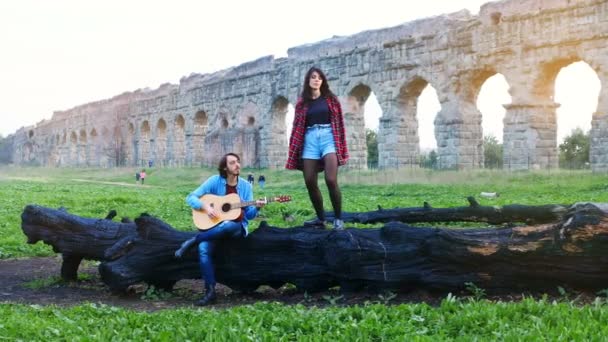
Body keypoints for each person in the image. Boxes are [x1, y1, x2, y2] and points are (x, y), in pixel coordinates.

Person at [174, 153, 265, 306]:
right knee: (203, 250)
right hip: (214, 227)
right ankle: (210, 292)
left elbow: (248, 216)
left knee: (230, 224)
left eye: (238, 162)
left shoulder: (245, 186)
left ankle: (193, 240)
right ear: (225, 167)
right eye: (232, 163)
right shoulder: (214, 181)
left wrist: (256, 208)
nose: (237, 165)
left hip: (235, 229)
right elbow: (191, 197)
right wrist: (205, 207)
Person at [285, 66, 348, 230]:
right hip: (310, 139)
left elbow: (339, 123)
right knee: (310, 181)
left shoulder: (331, 99)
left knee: (331, 179)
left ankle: (338, 218)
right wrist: (294, 147)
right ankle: (321, 219)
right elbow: (297, 126)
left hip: (328, 137)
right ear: (308, 80)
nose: (316, 79)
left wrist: (340, 143)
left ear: (323, 81)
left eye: (319, 77)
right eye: (313, 77)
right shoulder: (302, 103)